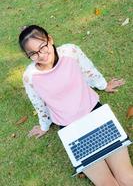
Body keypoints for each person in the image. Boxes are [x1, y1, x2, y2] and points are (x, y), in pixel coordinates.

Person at [19, 25, 133, 186]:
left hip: (96, 115)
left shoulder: (70, 51)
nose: (41, 55)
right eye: (33, 53)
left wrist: (103, 84)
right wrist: (44, 126)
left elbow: (88, 70)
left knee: (127, 178)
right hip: (70, 130)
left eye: (43, 47)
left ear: (50, 40)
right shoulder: (30, 77)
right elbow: (39, 104)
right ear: (27, 55)